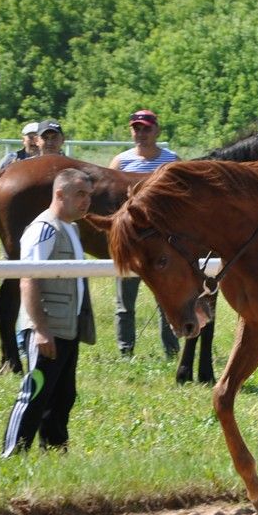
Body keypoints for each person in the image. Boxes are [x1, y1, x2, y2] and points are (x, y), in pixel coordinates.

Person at [0, 169, 96, 457]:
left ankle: (54, 452)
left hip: (67, 328)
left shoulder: (72, 229)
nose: (86, 201)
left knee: (63, 396)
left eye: (88, 195)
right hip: (47, 328)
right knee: (35, 392)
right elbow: (29, 278)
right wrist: (40, 329)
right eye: (80, 194)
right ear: (59, 194)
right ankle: (13, 453)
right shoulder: (45, 228)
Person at [109, 110, 181, 358]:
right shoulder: (120, 162)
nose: (141, 134)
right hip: (132, 243)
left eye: (146, 129)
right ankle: (125, 351)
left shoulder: (171, 161)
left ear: (157, 131)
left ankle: (171, 350)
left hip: (161, 244)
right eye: (136, 128)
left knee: (166, 298)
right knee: (124, 302)